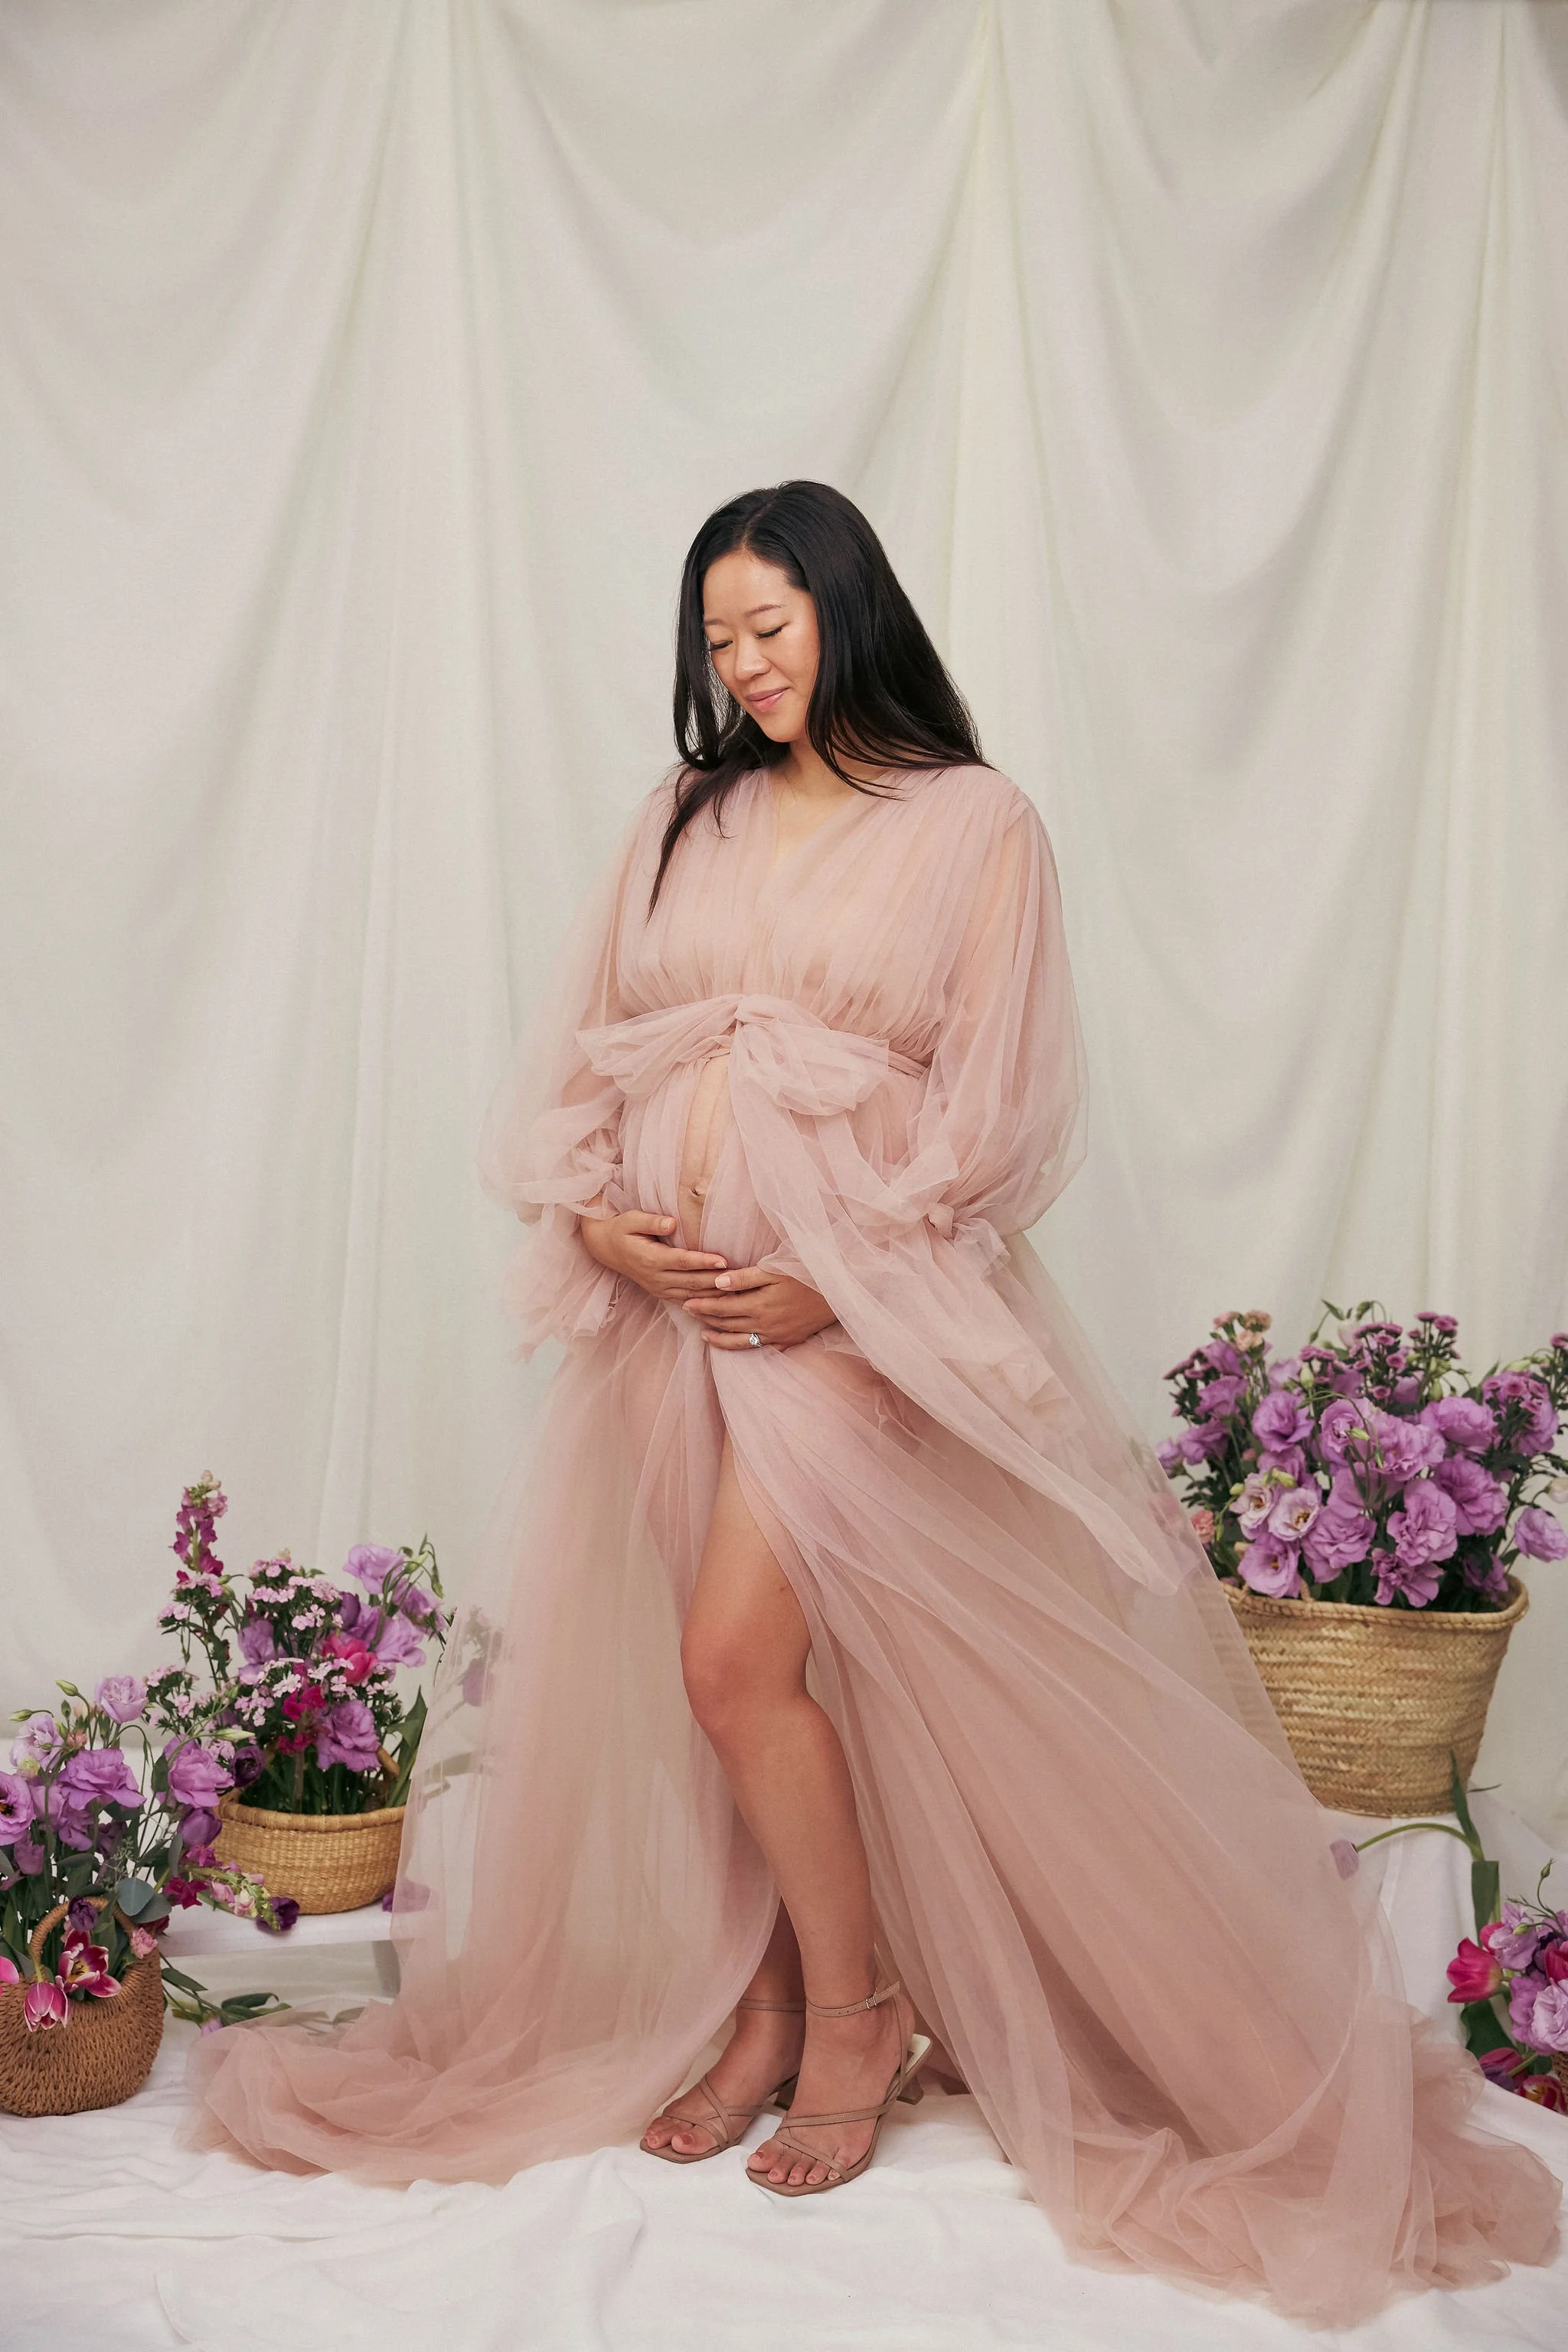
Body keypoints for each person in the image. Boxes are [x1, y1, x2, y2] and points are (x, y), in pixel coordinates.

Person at [188, 482, 1559, 2318]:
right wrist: (610, 1222)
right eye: (716, 635)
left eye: (772, 623)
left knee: (731, 1661)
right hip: (671, 1329)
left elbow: (996, 1123)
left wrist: (837, 1283)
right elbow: (585, 1057)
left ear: (850, 607)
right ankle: (761, 1997)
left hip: (862, 1326)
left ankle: (859, 2007)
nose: (742, 664)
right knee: (722, 1687)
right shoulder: (682, 815)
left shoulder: (973, 825)